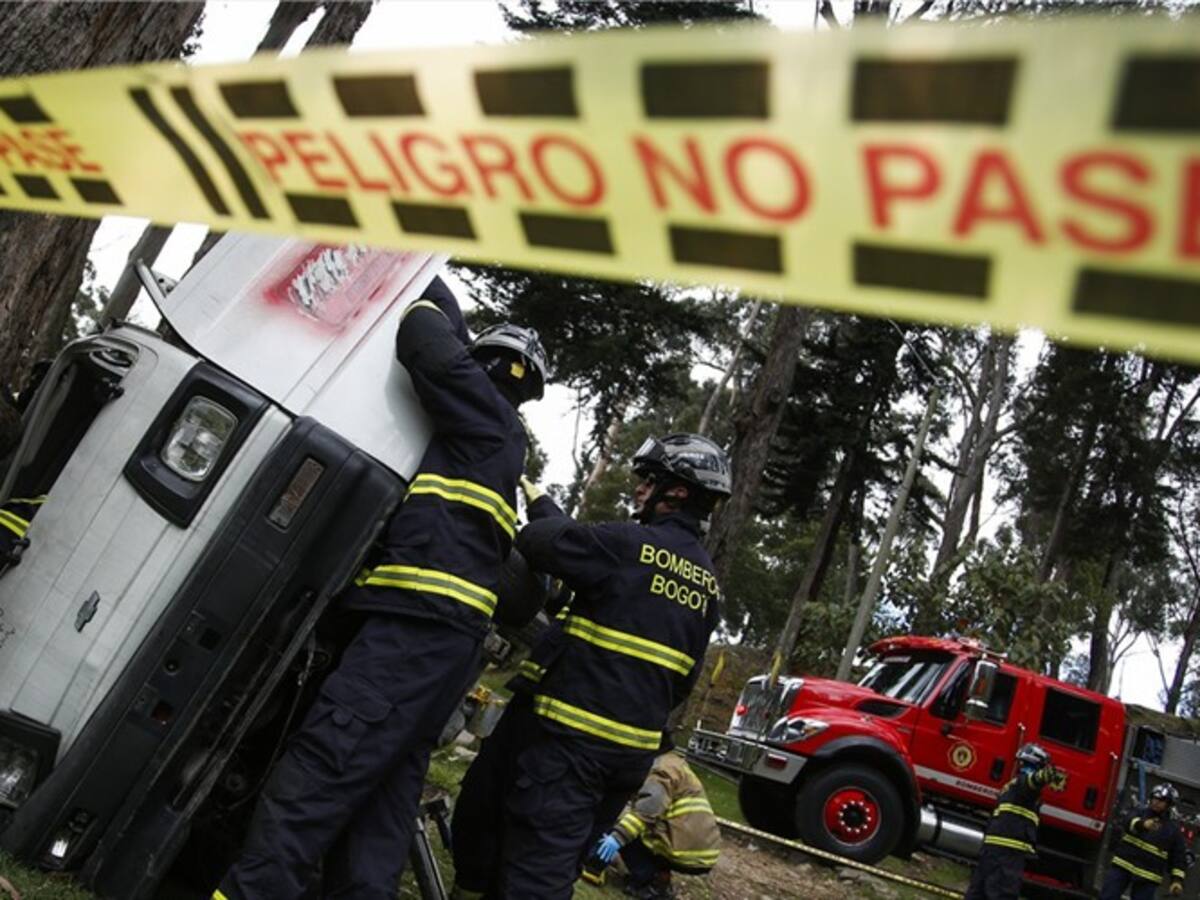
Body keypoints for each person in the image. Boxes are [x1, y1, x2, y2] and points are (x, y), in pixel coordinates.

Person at [214, 278, 548, 900]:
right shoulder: (495, 453)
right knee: (383, 809)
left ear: (487, 368)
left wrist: (427, 282)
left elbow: (423, 338)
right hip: (444, 649)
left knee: (319, 773)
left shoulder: (484, 417)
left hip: (411, 636)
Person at [495, 433, 731, 899]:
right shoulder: (707, 588)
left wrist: (546, 510)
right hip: (629, 762)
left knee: (535, 876)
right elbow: (683, 681)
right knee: (559, 863)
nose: (639, 489)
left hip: (573, 748)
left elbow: (540, 542)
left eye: (649, 480)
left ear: (677, 492)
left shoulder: (628, 546)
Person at [591, 742, 720, 899]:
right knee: (640, 830)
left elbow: (647, 812)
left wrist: (617, 838)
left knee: (626, 831)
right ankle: (660, 876)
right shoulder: (674, 764)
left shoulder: (660, 770)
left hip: (683, 849)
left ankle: (648, 882)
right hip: (703, 852)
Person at [964, 742, 1063, 900]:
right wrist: (1046, 775)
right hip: (1007, 855)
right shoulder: (1024, 785)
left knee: (977, 894)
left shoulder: (1009, 786)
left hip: (990, 851)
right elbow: (1032, 782)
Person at [1100, 783, 1189, 899]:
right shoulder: (1139, 812)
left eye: (1161, 800)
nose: (1156, 802)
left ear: (1169, 805)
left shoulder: (1173, 830)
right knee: (1107, 897)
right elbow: (1128, 822)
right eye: (1155, 798)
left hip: (1148, 877)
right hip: (1123, 867)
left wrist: (1177, 881)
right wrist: (1142, 824)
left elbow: (1178, 858)